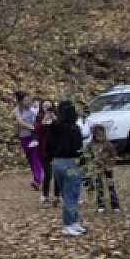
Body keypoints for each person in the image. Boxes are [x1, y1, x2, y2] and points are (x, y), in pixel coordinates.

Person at [45, 100, 86, 236]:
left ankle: (73, 222)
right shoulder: (74, 129)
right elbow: (78, 149)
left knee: (66, 193)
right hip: (71, 162)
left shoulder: (52, 127)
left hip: (57, 163)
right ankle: (69, 224)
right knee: (72, 194)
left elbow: (48, 146)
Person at [14, 91, 42, 191]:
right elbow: (20, 121)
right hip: (24, 136)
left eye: (28, 99)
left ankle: (37, 180)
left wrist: (36, 129)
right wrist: (31, 127)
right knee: (30, 158)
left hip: (35, 136)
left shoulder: (34, 108)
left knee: (36, 157)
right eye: (25, 100)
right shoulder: (18, 110)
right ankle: (36, 177)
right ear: (20, 102)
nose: (28, 101)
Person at [35, 101, 56, 206]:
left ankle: (57, 195)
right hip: (43, 150)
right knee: (48, 173)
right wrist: (44, 120)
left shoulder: (56, 118)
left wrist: (55, 119)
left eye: (49, 106)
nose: (47, 108)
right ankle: (45, 195)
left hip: (55, 149)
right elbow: (37, 129)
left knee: (57, 173)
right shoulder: (39, 117)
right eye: (45, 106)